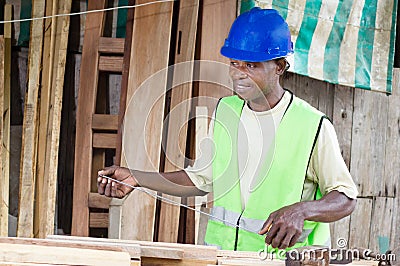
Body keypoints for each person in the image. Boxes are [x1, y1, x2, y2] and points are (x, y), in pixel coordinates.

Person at [98, 7, 357, 254]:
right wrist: (137, 177)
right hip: (223, 258)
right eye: (235, 63)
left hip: (281, 261)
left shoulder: (312, 126)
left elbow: (345, 198)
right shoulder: (226, 111)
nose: (238, 74)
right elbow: (201, 179)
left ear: (279, 67)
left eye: (251, 65)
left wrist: (302, 211)